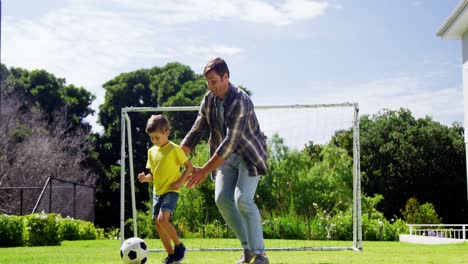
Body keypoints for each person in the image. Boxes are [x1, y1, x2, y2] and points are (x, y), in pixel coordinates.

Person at [180, 57, 269, 264]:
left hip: (248, 155)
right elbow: (197, 130)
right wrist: (178, 156)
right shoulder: (209, 99)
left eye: (214, 81)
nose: (210, 86)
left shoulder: (241, 100)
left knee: (243, 199)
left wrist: (203, 171)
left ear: (226, 77)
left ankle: (260, 254)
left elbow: (230, 141)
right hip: (225, 158)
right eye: (207, 82)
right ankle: (247, 251)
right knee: (221, 199)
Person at [138, 114, 193, 264]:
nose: (154, 141)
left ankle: (180, 246)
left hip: (171, 191)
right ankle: (171, 256)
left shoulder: (175, 149)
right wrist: (145, 179)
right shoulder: (151, 152)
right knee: (158, 224)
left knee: (163, 219)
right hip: (157, 193)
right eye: (152, 138)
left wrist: (180, 182)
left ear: (166, 133)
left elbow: (189, 167)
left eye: (157, 137)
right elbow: (153, 176)